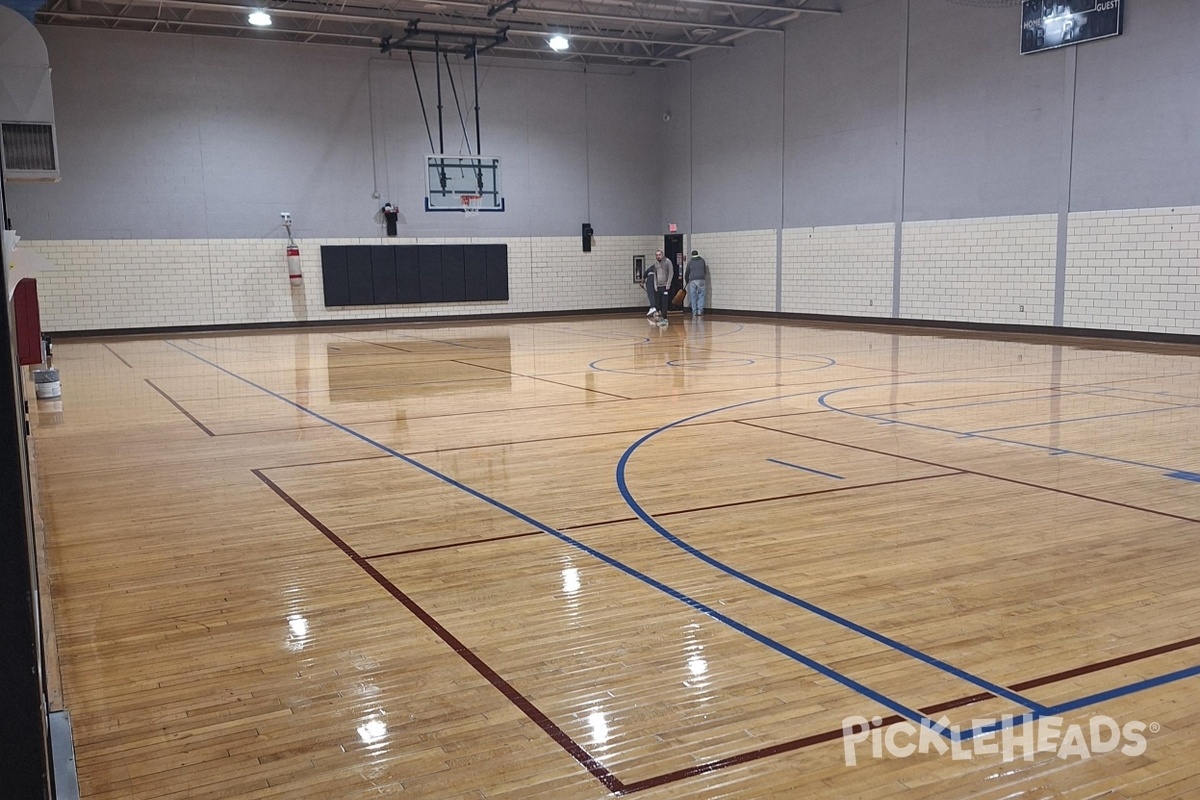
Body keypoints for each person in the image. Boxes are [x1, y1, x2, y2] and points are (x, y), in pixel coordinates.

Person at [644, 249, 672, 324]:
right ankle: (659, 316)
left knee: (664, 302)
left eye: (659, 255)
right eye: (656, 255)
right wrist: (655, 285)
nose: (658, 256)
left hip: (665, 285)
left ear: (662, 255)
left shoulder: (667, 261)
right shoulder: (656, 264)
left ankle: (664, 317)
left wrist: (668, 283)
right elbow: (655, 275)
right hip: (658, 286)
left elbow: (671, 273)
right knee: (658, 302)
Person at [684, 249, 707, 317]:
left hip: (692, 280)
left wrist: (686, 280)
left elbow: (687, 272)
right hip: (701, 279)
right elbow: (704, 270)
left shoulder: (690, 262)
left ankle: (694, 311)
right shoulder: (702, 261)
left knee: (693, 295)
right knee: (701, 295)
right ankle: (700, 311)